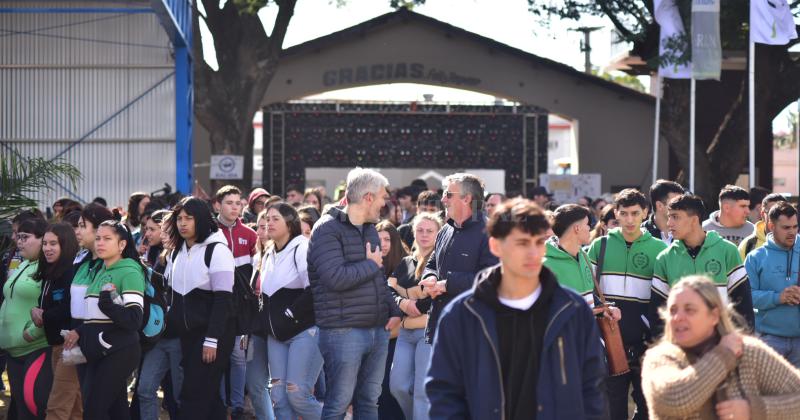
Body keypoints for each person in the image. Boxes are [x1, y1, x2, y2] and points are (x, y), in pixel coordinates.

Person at [426, 198, 608, 419]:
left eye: (539, 242)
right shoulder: (462, 314)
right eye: (521, 243)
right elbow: (444, 393)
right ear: (495, 246)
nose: (533, 253)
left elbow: (592, 387)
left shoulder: (572, 309)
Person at [307, 167, 402, 419]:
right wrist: (370, 265)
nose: (385, 203)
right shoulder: (326, 229)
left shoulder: (370, 229)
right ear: (368, 197)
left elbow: (378, 278)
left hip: (377, 330)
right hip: (342, 331)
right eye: (382, 197)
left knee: (370, 402)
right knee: (338, 404)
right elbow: (334, 278)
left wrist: (393, 310)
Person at [641, 275, 800, 420]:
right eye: (673, 310)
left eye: (689, 310)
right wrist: (724, 355)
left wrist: (754, 410)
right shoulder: (659, 358)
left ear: (714, 316)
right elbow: (674, 398)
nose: (677, 317)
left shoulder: (747, 352)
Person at [586, 189, 668, 420]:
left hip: (646, 341)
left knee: (647, 405)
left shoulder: (661, 250)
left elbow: (664, 299)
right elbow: (588, 290)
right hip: (608, 340)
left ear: (645, 213)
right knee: (613, 407)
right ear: (616, 214)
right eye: (624, 213)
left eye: (635, 213)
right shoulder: (599, 246)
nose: (629, 219)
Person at [62, 220, 146, 419]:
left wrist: (108, 305)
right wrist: (80, 332)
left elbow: (134, 320)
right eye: (98, 238)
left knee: (93, 410)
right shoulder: (101, 271)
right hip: (98, 351)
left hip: (119, 351)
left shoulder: (130, 271)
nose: (100, 243)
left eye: (107, 239)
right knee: (116, 411)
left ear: (122, 244)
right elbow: (94, 319)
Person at [164, 197, 236, 420]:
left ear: (202, 219)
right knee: (208, 396)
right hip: (187, 335)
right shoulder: (176, 252)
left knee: (193, 394)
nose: (182, 223)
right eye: (179, 218)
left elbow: (223, 300)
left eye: (189, 218)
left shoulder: (217, 250)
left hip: (214, 335)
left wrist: (212, 339)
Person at [649, 194, 754, 338]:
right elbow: (658, 312)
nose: (669, 223)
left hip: (722, 344)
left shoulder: (727, 251)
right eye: (669, 217)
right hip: (680, 346)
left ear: (694, 220)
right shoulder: (664, 258)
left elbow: (743, 305)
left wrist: (741, 342)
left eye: (675, 217)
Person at [257, 203, 322, 420]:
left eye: (275, 218)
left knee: (298, 395)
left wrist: (289, 314)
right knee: (279, 397)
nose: (269, 223)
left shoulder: (302, 247)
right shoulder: (268, 251)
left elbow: (315, 289)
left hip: (304, 332)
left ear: (290, 223)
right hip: (276, 336)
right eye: (267, 218)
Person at [420, 173, 499, 346]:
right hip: (440, 326)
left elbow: (491, 279)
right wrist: (429, 278)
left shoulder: (489, 233)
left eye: (448, 194)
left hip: (472, 331)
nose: (443, 199)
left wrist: (447, 284)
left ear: (466, 198)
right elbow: (433, 263)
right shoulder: (445, 230)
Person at [388, 212, 441, 420]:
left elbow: (439, 295)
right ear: (413, 232)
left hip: (429, 331)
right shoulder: (405, 262)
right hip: (405, 332)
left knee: (421, 392)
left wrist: (416, 304)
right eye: (420, 230)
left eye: (430, 231)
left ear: (439, 234)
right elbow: (388, 290)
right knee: (397, 386)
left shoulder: (441, 262)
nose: (424, 234)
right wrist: (403, 302)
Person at [0, 218, 53, 420]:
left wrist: (33, 332)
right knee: (21, 408)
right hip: (13, 351)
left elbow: (49, 307)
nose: (19, 241)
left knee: (34, 407)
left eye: (25, 237)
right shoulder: (24, 265)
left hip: (35, 348)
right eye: (18, 237)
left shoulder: (48, 268)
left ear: (43, 240)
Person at [213, 185, 257, 419]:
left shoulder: (251, 235)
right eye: (229, 202)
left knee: (239, 358)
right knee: (218, 357)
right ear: (217, 205)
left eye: (238, 203)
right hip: (216, 306)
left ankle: (237, 405)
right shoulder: (209, 233)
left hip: (242, 310)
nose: (234, 207)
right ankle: (220, 403)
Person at [135, 210, 183, 420]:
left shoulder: (187, 255)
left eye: (164, 229)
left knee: (181, 395)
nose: (160, 234)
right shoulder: (161, 256)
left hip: (180, 335)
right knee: (145, 389)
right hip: (158, 334)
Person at [35, 223, 82, 420]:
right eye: (45, 243)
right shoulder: (50, 271)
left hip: (70, 344)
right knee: (74, 406)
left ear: (66, 244)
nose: (47, 248)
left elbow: (68, 307)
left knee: (57, 405)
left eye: (53, 243)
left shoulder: (70, 271)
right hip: (56, 344)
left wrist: (42, 315)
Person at [745, 202, 800, 367]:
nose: (792, 232)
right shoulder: (755, 257)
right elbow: (747, 297)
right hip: (769, 340)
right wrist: (778, 298)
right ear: (771, 225)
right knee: (768, 393)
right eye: (785, 227)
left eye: (795, 227)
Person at [71, 204, 115, 395]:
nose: (77, 231)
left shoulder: (112, 264)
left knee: (103, 402)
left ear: (99, 229)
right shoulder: (82, 261)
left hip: (104, 343)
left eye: (82, 226)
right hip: (80, 342)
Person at [375, 221, 408, 420]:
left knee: (389, 389)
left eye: (387, 239)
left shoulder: (405, 268)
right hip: (373, 339)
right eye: (379, 240)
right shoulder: (368, 267)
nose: (383, 244)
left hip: (397, 340)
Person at [542, 204, 595, 305]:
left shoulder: (584, 256)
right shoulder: (545, 265)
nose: (590, 228)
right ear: (577, 228)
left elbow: (589, 295)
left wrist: (604, 310)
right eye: (588, 224)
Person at [738, 193, 787, 260]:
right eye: (771, 212)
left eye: (782, 212)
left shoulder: (796, 244)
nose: (777, 217)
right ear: (762, 214)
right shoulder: (748, 245)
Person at [642, 179, 684, 245]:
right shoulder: (640, 234)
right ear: (659, 206)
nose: (682, 207)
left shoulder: (687, 233)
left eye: (682, 202)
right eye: (675, 203)